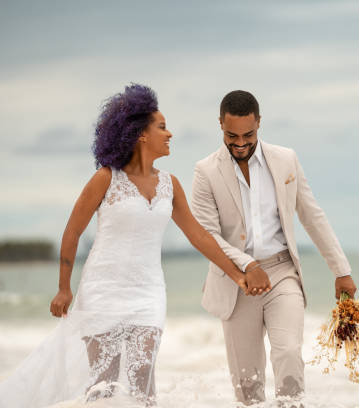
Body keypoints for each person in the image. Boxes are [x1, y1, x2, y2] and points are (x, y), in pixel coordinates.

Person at [0, 84, 247, 407]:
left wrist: (237, 273)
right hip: (103, 290)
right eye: (161, 127)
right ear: (140, 134)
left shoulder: (169, 185)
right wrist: (64, 288)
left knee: (143, 378)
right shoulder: (106, 178)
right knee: (103, 384)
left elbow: (198, 235)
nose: (169, 134)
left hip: (148, 293)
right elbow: (73, 231)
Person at [191, 90, 357, 406]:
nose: (240, 143)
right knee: (247, 382)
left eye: (248, 135)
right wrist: (248, 266)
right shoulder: (206, 171)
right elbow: (207, 235)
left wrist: (342, 271)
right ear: (220, 125)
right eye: (231, 135)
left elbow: (311, 215)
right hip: (234, 281)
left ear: (259, 124)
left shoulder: (285, 160)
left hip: (282, 272)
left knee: (289, 354)